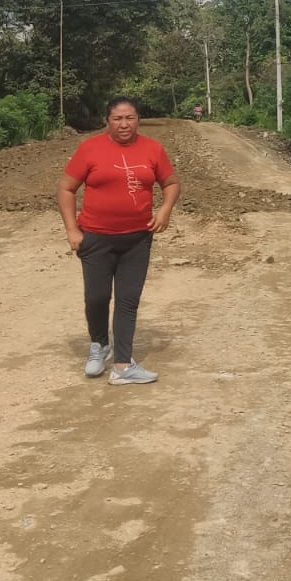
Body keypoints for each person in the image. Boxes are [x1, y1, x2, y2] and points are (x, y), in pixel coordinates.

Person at [56, 96, 180, 384]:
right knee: (97, 297)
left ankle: (123, 366)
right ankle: (99, 345)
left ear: (138, 120)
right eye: (118, 119)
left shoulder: (152, 149)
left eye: (130, 118)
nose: (124, 124)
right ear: (107, 121)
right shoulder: (90, 148)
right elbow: (65, 188)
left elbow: (171, 182)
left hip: (137, 239)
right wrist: (72, 229)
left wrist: (165, 210)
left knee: (127, 300)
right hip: (96, 238)